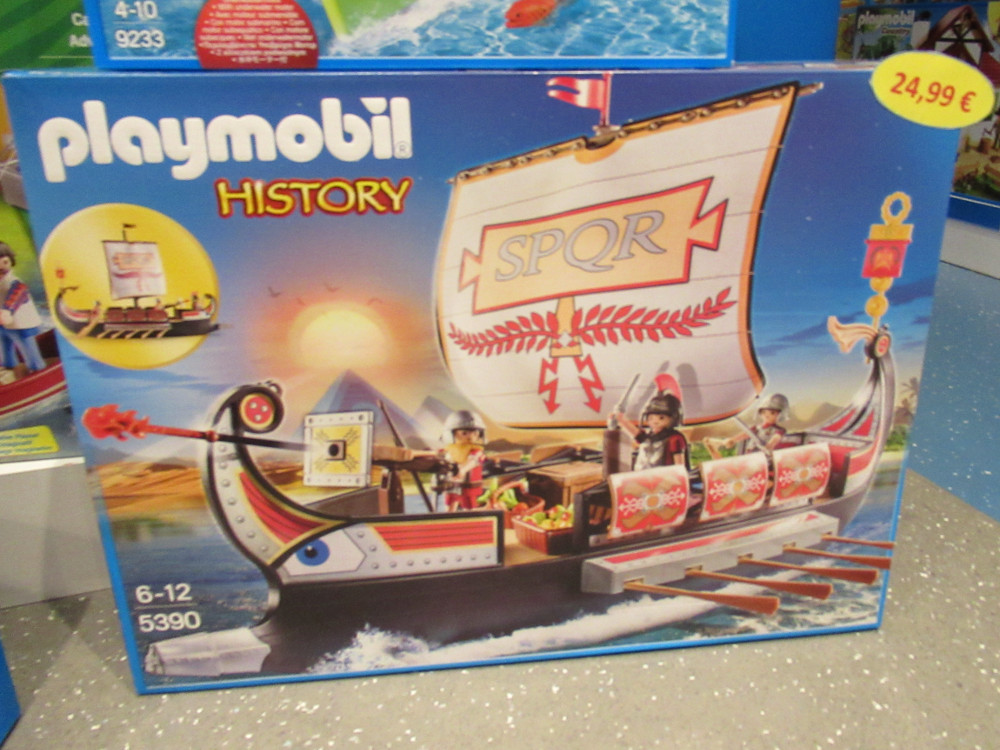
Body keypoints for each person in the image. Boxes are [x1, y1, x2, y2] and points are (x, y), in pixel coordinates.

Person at [610, 376, 688, 471]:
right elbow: (635, 432)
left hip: (665, 477)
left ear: (673, 418)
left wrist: (679, 476)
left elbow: (680, 466)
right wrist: (620, 419)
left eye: (661, 418)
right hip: (642, 476)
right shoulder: (649, 437)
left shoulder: (674, 439)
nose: (655, 421)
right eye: (651, 418)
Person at [0, 242, 44, 374]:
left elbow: (17, 294)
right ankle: (9, 367)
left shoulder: (14, 282)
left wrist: (7, 310)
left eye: (5, 262)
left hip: (19, 323)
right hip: (3, 324)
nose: (1, 267)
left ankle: (36, 368)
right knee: (4, 346)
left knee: (26, 346)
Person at [706, 393, 789, 458]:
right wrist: (733, 440)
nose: (767, 415)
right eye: (763, 412)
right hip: (750, 455)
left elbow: (775, 439)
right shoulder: (757, 427)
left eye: (772, 413)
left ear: (781, 414)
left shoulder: (779, 430)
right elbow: (745, 434)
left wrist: (768, 447)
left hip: (763, 458)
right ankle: (715, 445)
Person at [439, 409, 487, 511]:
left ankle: (469, 519)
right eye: (464, 433)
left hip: (467, 484)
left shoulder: (476, 451)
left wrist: (462, 470)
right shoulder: (450, 449)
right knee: (450, 503)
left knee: (468, 506)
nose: (470, 436)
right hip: (451, 482)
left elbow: (473, 461)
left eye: (475, 433)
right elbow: (439, 456)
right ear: (453, 433)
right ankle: (448, 518)